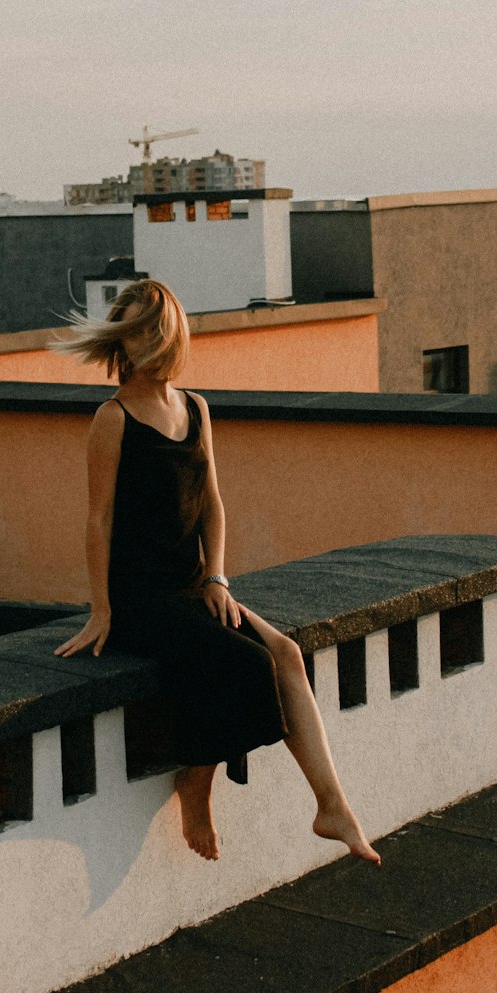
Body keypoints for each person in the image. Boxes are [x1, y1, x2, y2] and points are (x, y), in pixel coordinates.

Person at [54, 278, 380, 866]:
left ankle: (333, 806)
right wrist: (101, 609)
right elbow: (97, 520)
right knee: (244, 664)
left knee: (285, 652)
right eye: (128, 334)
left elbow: (212, 503)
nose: (139, 344)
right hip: (141, 599)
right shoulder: (113, 418)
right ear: (121, 344)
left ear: (167, 335)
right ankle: (195, 787)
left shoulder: (196, 408)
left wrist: (218, 578)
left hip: (192, 586)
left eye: (148, 331)